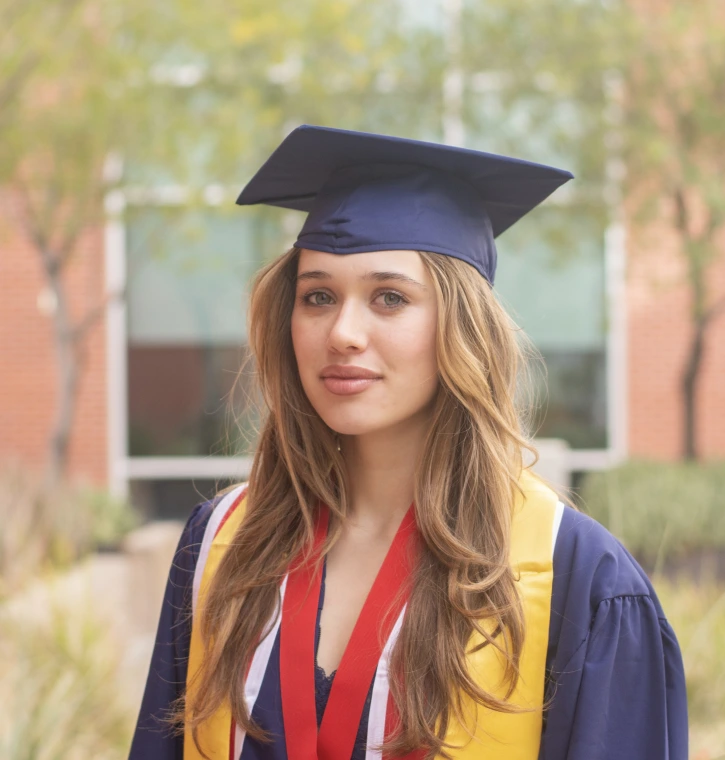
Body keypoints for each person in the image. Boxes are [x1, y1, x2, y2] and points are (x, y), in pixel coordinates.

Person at [128, 125, 688, 760]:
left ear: (461, 325)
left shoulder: (574, 577)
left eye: (389, 298)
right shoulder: (221, 544)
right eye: (318, 296)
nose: (342, 331)